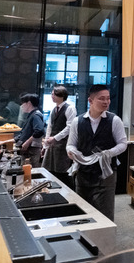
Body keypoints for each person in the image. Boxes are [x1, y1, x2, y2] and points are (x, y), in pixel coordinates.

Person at [66, 85, 127, 221]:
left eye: (108, 99)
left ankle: (104, 241)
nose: (106, 102)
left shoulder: (114, 120)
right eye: (101, 99)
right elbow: (70, 144)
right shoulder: (78, 121)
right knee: (82, 212)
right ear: (90, 100)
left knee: (105, 214)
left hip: (105, 174)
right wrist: (72, 152)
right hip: (83, 173)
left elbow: (123, 144)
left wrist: (108, 153)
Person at [43, 86, 77, 190]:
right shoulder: (54, 109)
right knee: (50, 170)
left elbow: (70, 127)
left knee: (63, 172)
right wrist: (45, 144)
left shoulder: (70, 108)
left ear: (61, 96)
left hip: (64, 144)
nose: (52, 96)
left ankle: (71, 195)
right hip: (52, 145)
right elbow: (50, 126)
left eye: (54, 94)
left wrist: (55, 138)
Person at [13, 93, 45, 167]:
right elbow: (22, 134)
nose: (21, 106)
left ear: (29, 103)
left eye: (23, 103)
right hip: (29, 150)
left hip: (32, 150)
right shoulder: (31, 115)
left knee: (31, 173)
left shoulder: (36, 115)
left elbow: (39, 131)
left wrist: (27, 142)